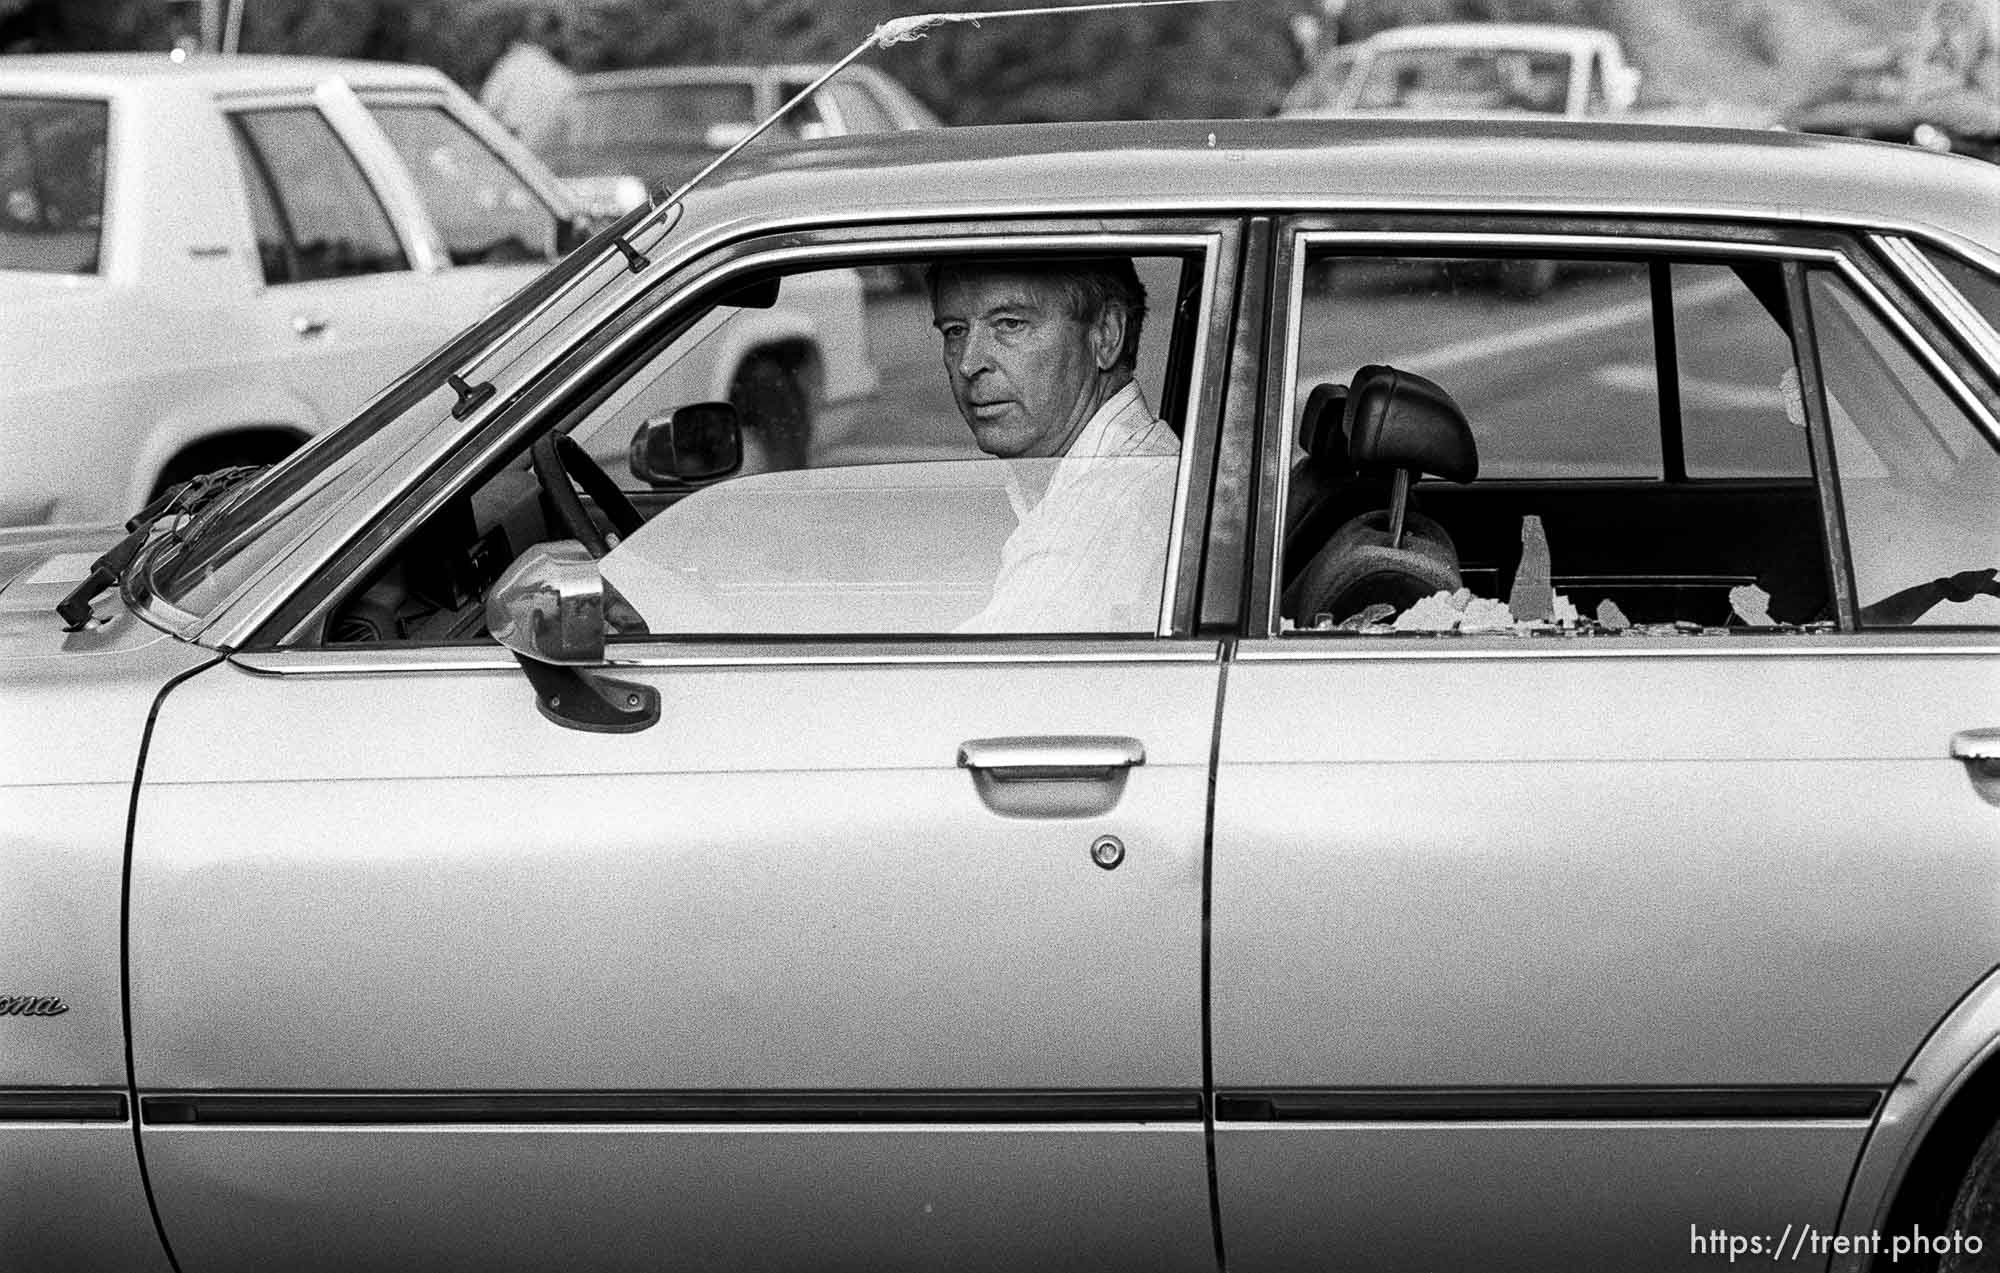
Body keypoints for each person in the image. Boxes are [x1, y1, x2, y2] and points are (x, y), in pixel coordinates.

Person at [927, 257, 1180, 633]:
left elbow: (963, 684)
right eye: (954, 331)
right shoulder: (1096, 479)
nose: (968, 362)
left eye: (1009, 324)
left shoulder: (1102, 519)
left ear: (1106, 335)